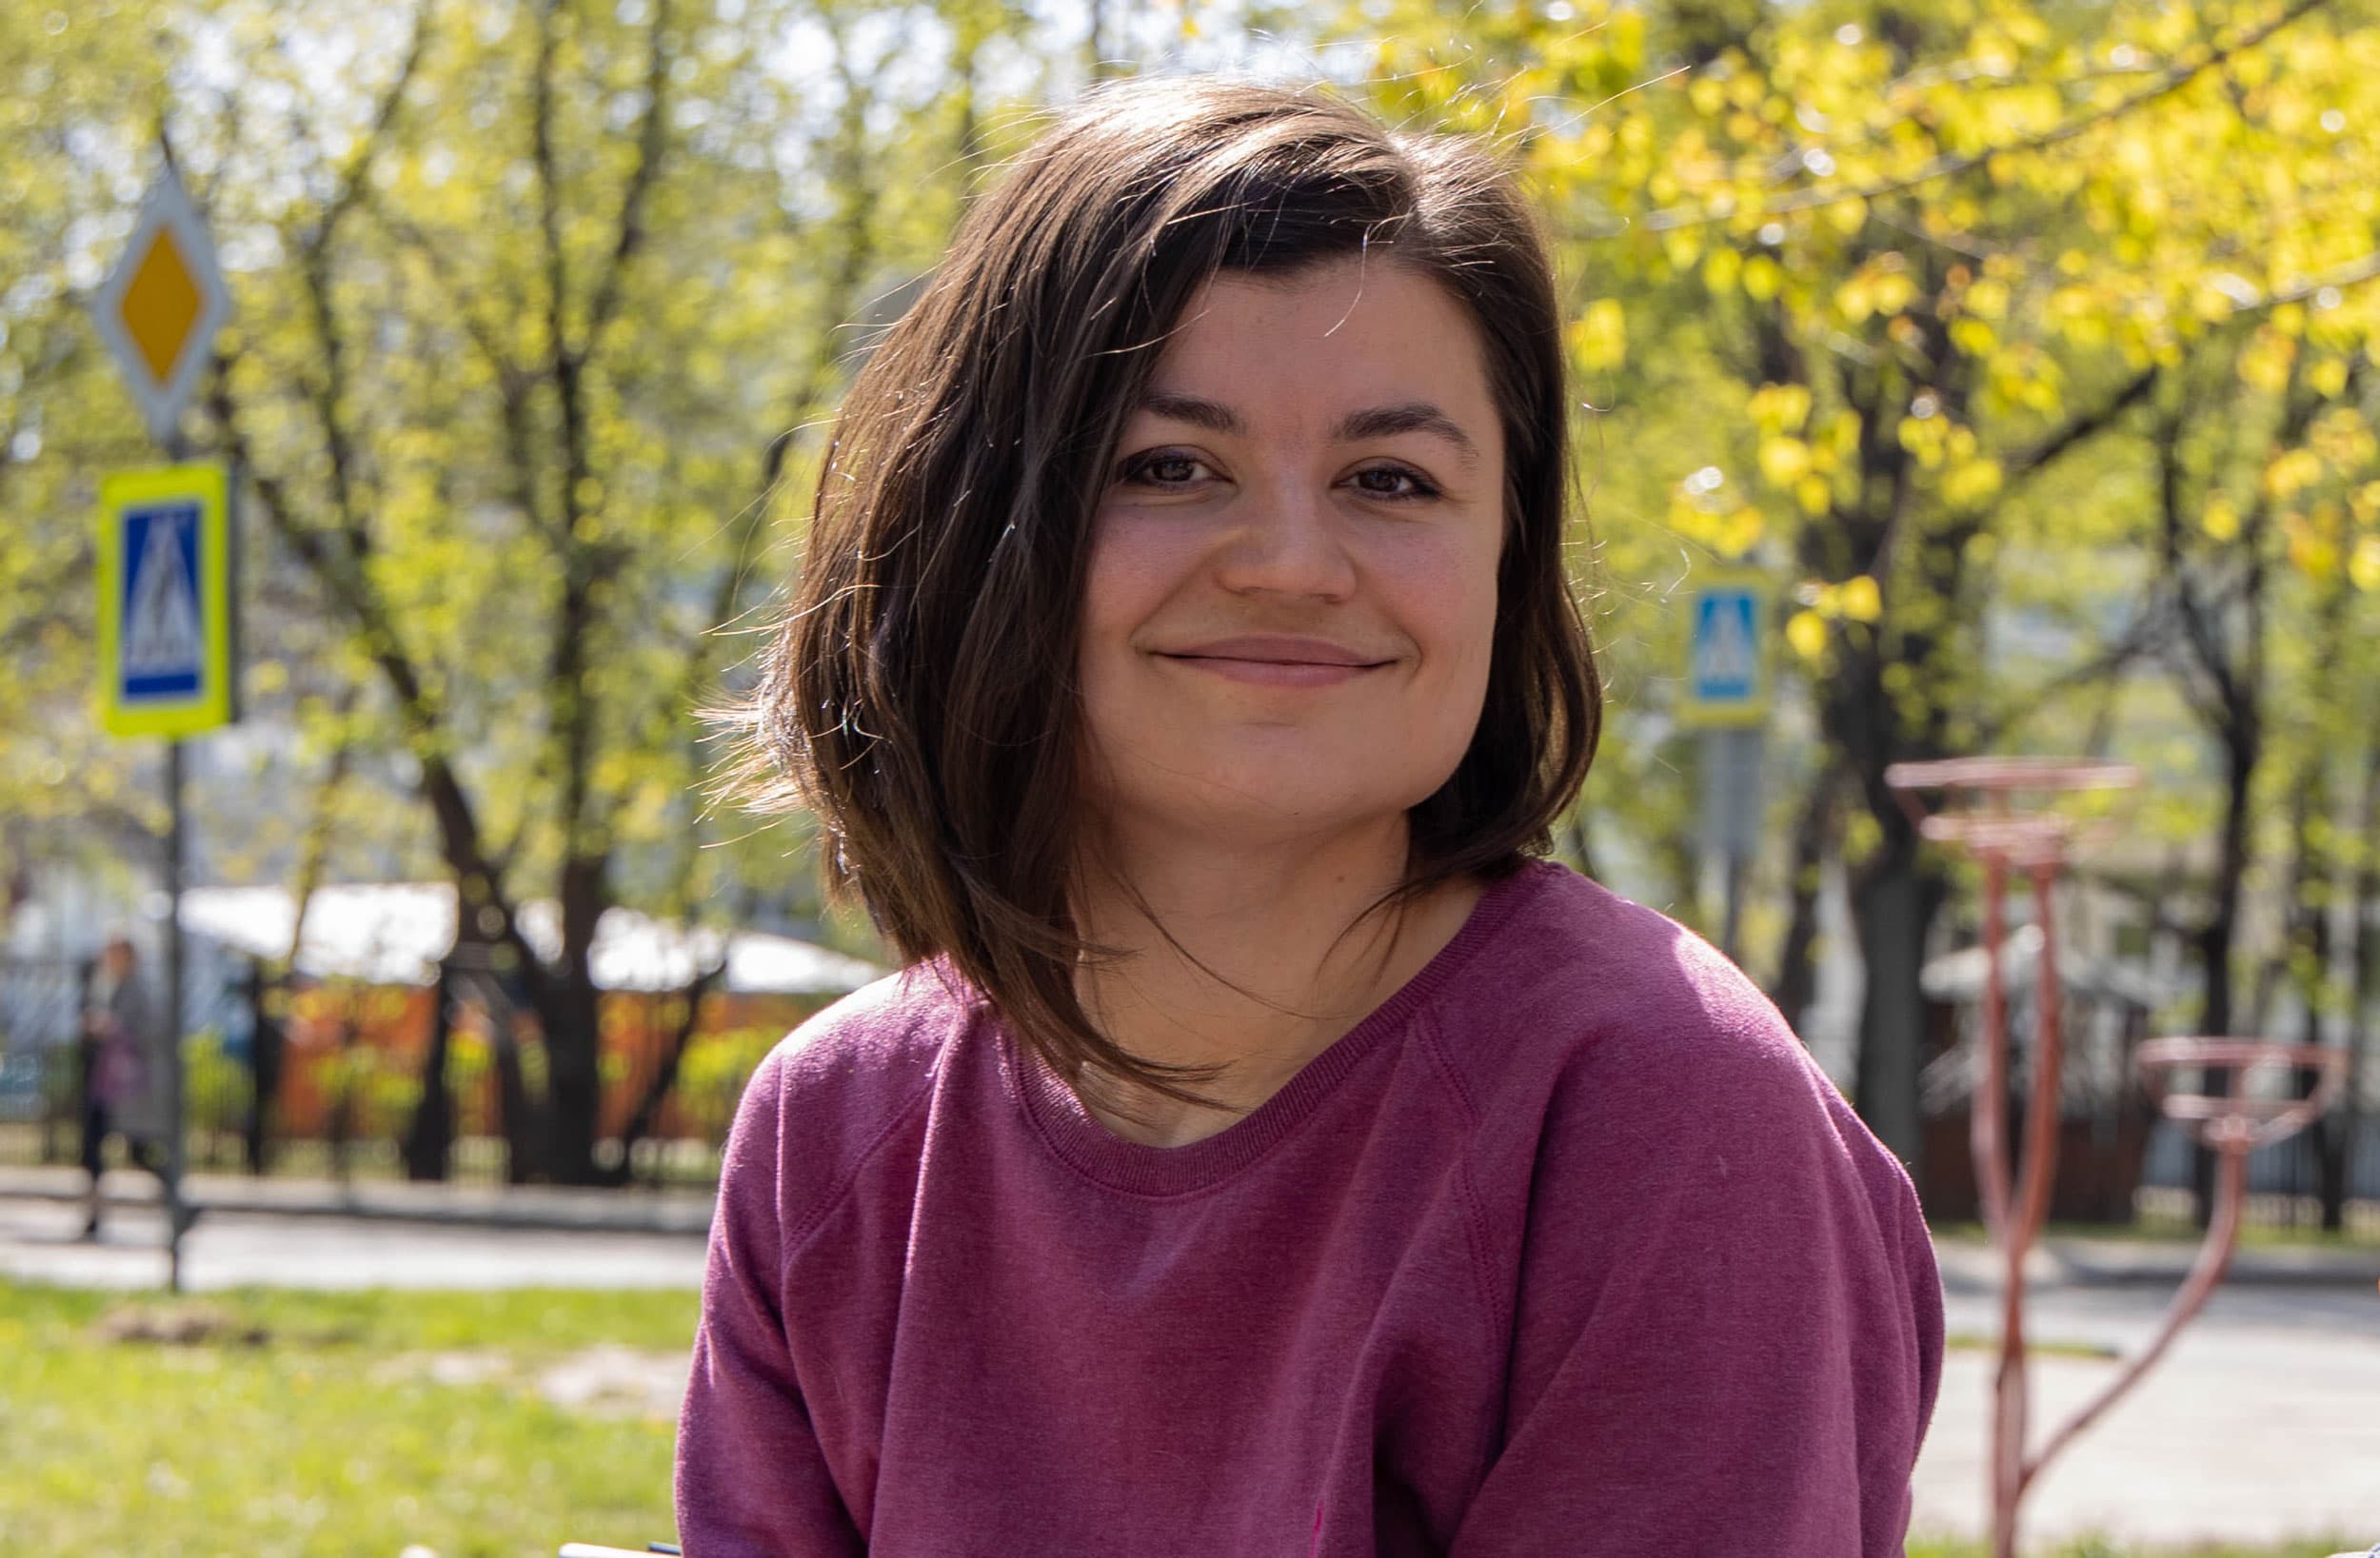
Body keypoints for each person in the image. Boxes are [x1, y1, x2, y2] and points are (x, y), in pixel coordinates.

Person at [677, 78, 1943, 1555]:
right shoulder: (834, 1131)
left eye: (1389, 480)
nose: (1290, 560)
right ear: (966, 524)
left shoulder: (1656, 1109)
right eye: (1168, 466)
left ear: (1504, 565)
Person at [77, 931, 168, 1239]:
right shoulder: (104, 984)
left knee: (136, 1149)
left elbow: (145, 1031)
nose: (108, 959)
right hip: (106, 1082)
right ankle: (94, 1215)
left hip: (123, 1086)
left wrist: (110, 1027)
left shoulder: (136, 988)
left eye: (114, 953)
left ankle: (176, 1198)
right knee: (93, 1149)